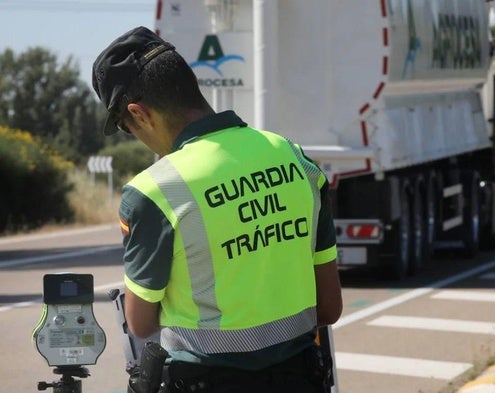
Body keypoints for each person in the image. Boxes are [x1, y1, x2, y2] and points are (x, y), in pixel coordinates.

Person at [92, 26, 342, 393]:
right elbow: (329, 308)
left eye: (129, 128)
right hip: (300, 377)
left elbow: (141, 324)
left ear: (139, 113)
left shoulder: (153, 192)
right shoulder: (293, 157)